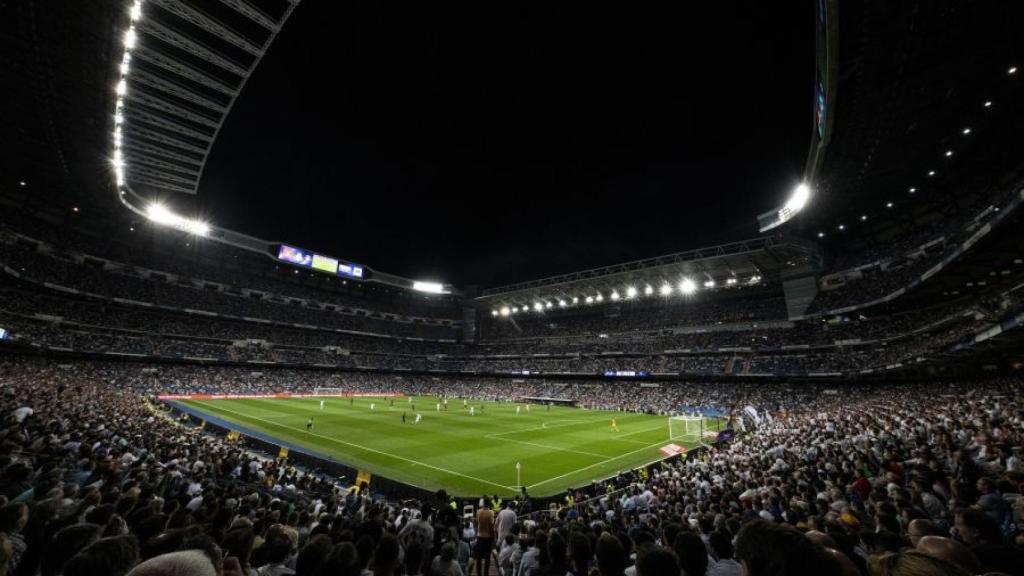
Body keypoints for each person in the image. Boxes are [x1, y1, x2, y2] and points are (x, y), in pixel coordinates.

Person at [475, 499, 495, 576]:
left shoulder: (478, 512)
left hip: (480, 536)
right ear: (489, 505)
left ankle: (479, 574)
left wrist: (477, 531)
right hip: (488, 537)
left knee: (479, 558)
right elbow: (491, 526)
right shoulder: (491, 513)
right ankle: (486, 573)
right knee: (487, 558)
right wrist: (493, 537)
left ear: (483, 504)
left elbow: (476, 523)